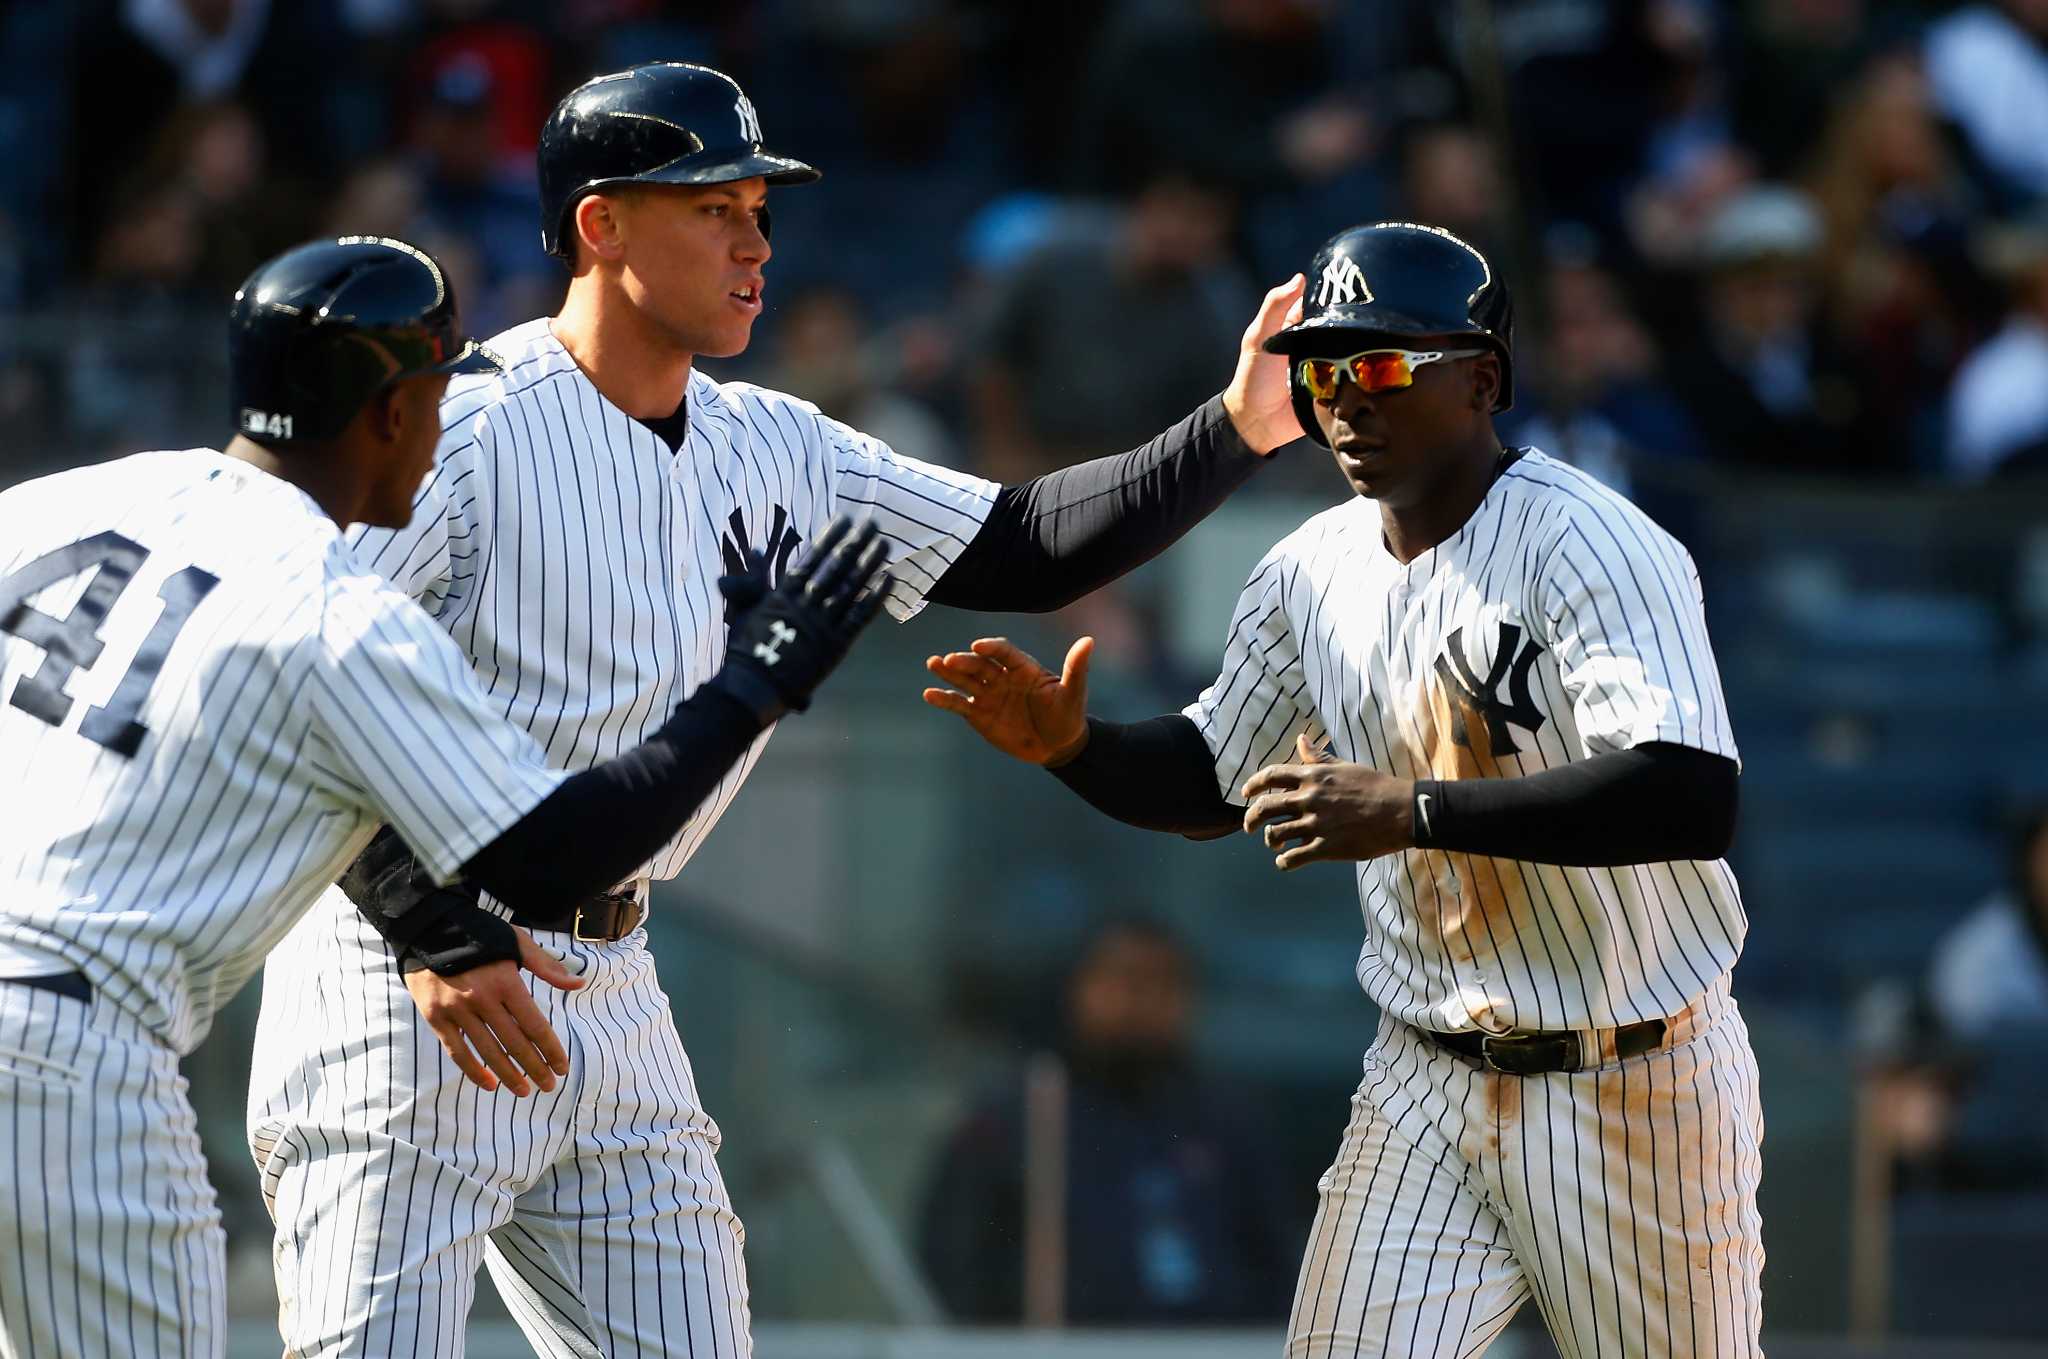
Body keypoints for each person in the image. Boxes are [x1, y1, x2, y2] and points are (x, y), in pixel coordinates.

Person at [246, 62, 1306, 1359]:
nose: (757, 243)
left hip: (616, 976)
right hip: (409, 980)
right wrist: (425, 925)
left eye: (761, 207)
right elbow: (283, 669)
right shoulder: (463, 430)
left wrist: (1238, 426)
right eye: (714, 207)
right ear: (602, 224)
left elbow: (1025, 545)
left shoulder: (782, 446)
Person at [0, 235, 892, 1359]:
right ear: (389, 412)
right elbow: (552, 857)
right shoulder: (335, 611)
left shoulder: (57, 505)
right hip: (75, 1058)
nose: (449, 420)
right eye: (437, 392)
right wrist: (754, 680)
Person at [924, 221, 1765, 1357]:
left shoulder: (1592, 541)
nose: (1342, 401)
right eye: (1318, 371)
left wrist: (1409, 810)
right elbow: (1213, 783)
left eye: (1376, 366)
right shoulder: (1308, 569)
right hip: (1421, 1077)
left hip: (1629, 1075)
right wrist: (1077, 750)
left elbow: (1686, 796)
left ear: (1482, 379)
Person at [917, 918, 1294, 1324]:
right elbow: (956, 1263)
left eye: (1165, 982)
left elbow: (1276, 1260)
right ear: (1077, 988)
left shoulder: (1226, 1119)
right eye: (1123, 978)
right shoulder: (1017, 1117)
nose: (1142, 999)